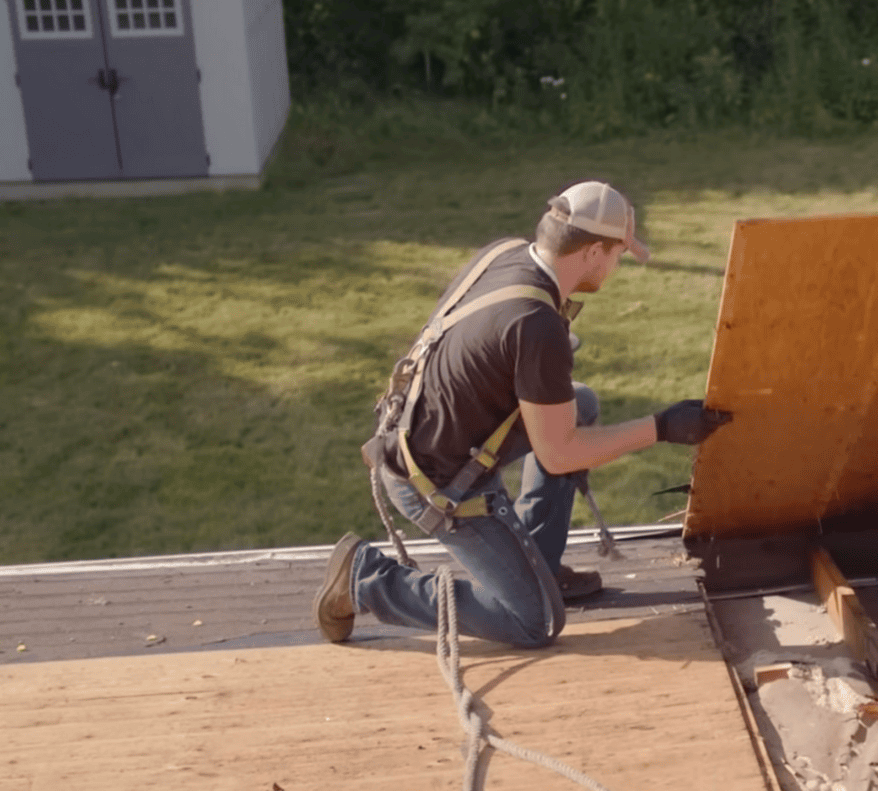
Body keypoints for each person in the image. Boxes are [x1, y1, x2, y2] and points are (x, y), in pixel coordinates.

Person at [313, 180, 730, 648]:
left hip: (420, 432)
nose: (618, 266)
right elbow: (558, 455)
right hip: (436, 483)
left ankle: (538, 564)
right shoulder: (537, 325)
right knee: (533, 621)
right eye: (618, 254)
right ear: (594, 252)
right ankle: (366, 580)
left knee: (582, 403)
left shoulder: (504, 254)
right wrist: (662, 427)